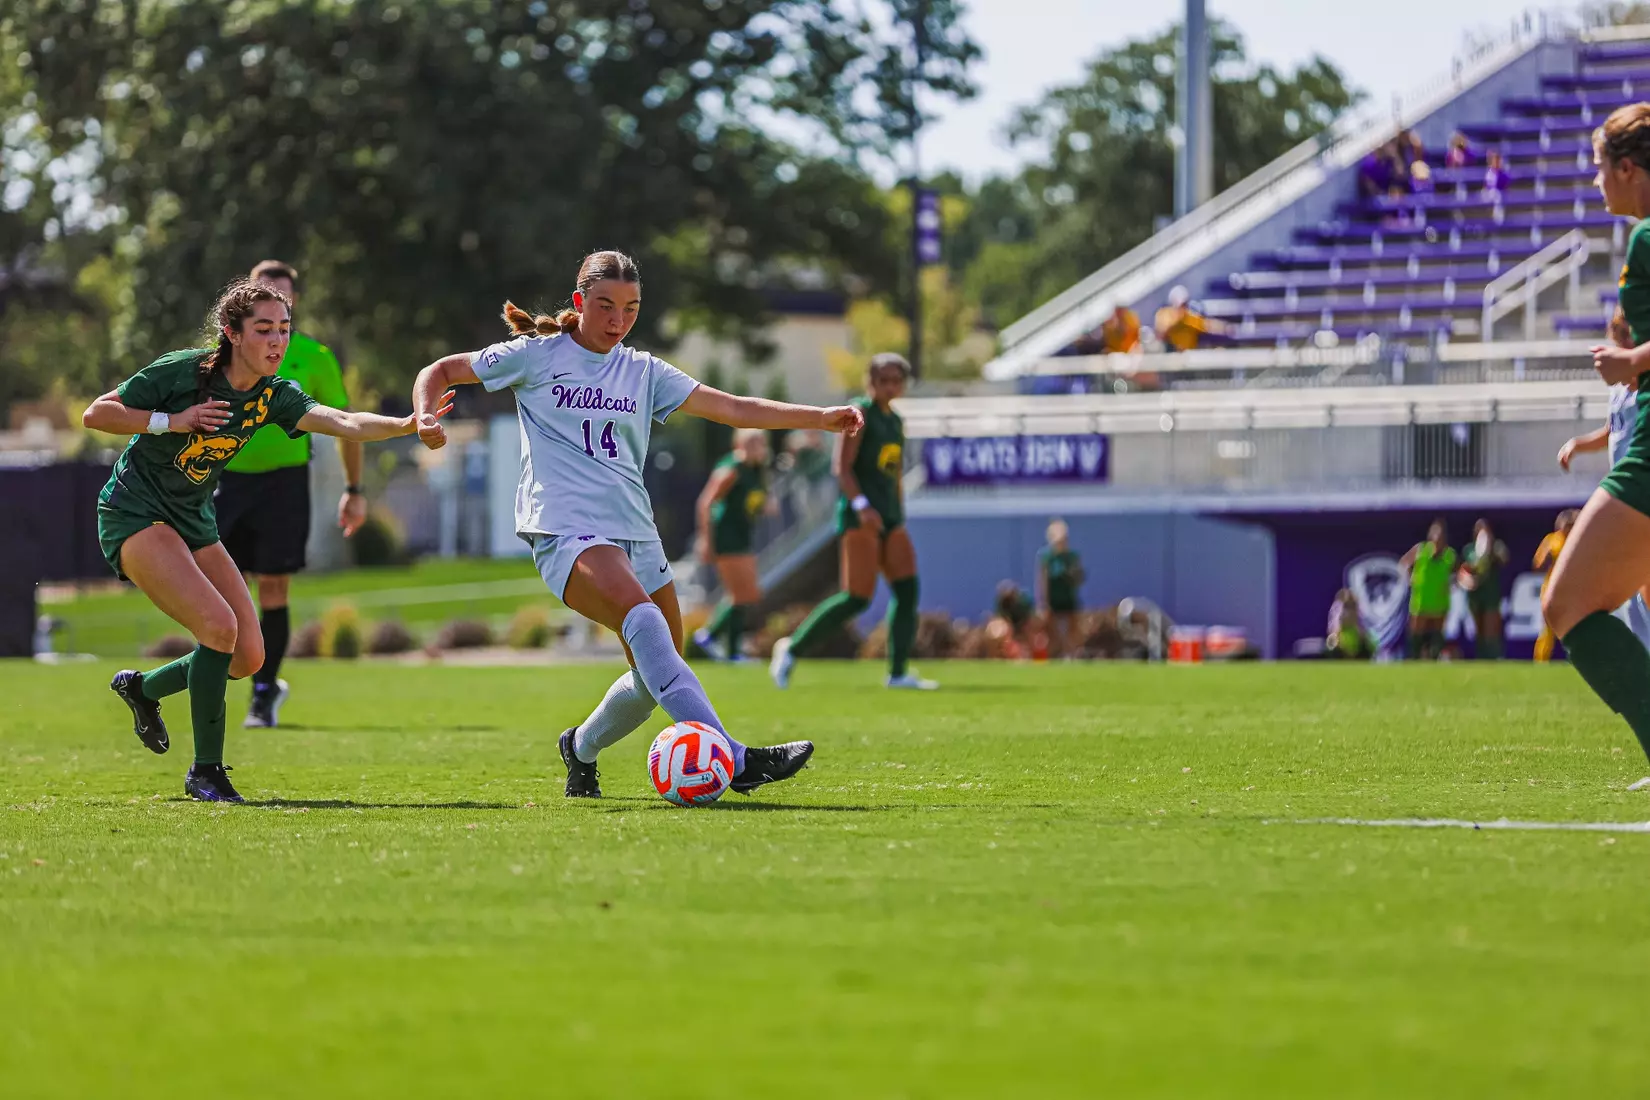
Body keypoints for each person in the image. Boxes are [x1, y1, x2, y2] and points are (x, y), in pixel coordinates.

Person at [409, 250, 863, 800]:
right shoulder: (536, 355)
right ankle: (734, 757)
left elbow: (734, 409)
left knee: (656, 676)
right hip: (564, 529)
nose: (617, 321)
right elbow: (441, 370)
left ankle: (580, 747)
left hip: (636, 534)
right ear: (579, 303)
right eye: (604, 306)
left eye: (630, 308)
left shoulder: (644, 371)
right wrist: (426, 415)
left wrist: (820, 417)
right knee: (645, 623)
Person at [85, 280, 448, 803]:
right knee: (218, 626)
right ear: (231, 333)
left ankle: (142, 690)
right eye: (263, 330)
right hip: (134, 513)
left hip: (193, 519)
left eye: (284, 329)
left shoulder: (273, 394)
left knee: (247, 657)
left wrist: (409, 423)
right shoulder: (185, 371)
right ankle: (205, 772)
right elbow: (96, 414)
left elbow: (342, 421)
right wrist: (174, 420)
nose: (277, 341)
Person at [214, 260, 361, 730]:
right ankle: (212, 683)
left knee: (274, 588)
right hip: (226, 481)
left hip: (284, 484)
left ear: (291, 303)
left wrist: (354, 489)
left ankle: (263, 691)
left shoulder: (314, 357)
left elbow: (345, 425)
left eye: (282, 298)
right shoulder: (224, 356)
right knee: (217, 589)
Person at [769, 353, 937, 691]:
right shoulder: (859, 413)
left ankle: (898, 672)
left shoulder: (895, 421)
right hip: (861, 515)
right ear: (870, 381)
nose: (890, 386)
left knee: (907, 589)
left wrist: (897, 512)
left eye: (896, 380)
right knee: (857, 597)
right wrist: (862, 506)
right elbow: (841, 468)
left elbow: (894, 475)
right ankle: (791, 648)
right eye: (883, 379)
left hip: (890, 515)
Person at [1557, 308, 1650, 651]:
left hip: (1640, 490)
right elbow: (1613, 430)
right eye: (1617, 334)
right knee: (1632, 589)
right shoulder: (1619, 387)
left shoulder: (1642, 378)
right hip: (1625, 489)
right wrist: (1579, 445)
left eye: (1627, 334)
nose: (1621, 341)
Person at [692, 428, 774, 663]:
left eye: (760, 443)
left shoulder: (757, 470)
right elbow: (705, 503)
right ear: (739, 445)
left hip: (742, 535)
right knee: (743, 594)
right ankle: (720, 643)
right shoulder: (732, 469)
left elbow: (758, 499)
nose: (758, 448)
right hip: (726, 535)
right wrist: (705, 539)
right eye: (752, 443)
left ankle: (718, 641)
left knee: (747, 594)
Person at [1399, 518, 1456, 660]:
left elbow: (1457, 574)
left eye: (1441, 536)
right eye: (1435, 536)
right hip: (1421, 600)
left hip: (1440, 601)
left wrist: (1452, 584)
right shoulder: (1421, 550)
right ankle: (1414, 659)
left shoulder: (1450, 555)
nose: (1437, 540)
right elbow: (1404, 563)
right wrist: (1410, 578)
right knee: (1416, 633)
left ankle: (1434, 658)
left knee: (1437, 634)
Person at [1457, 520, 1509, 659]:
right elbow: (1464, 569)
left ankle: (1494, 655)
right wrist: (1470, 578)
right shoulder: (1469, 550)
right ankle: (1482, 657)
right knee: (1479, 629)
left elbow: (1504, 559)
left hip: (1491, 594)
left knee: (1491, 628)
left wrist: (1491, 550)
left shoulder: (1496, 547)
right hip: (1475, 595)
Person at [1534, 509, 1579, 663]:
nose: (1568, 528)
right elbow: (1537, 565)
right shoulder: (1552, 540)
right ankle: (1541, 661)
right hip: (1552, 589)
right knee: (1548, 629)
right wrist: (1548, 557)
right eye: (1567, 524)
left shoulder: (1578, 539)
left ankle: (1576, 660)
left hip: (1572, 589)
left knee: (1573, 627)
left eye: (1572, 525)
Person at [1036, 519, 1085, 658]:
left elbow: (1078, 578)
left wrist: (1074, 575)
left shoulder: (1072, 557)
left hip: (1068, 599)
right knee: (1052, 633)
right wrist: (1043, 603)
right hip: (1053, 601)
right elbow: (1043, 581)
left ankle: (1072, 655)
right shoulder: (1047, 558)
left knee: (1074, 631)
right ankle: (1055, 656)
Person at [1154, 286, 1225, 352]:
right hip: (1170, 355)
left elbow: (1207, 325)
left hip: (1188, 356)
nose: (1182, 308)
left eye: (1184, 305)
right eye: (1180, 306)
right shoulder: (1164, 316)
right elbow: (1160, 334)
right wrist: (1175, 323)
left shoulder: (1189, 318)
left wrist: (1225, 328)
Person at [1326, 588, 1373, 659]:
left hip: (1357, 645)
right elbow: (1332, 631)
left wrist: (1362, 636)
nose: (1349, 610)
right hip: (1341, 644)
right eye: (1347, 606)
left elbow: (1363, 632)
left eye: (1352, 606)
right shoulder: (1337, 611)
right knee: (1331, 641)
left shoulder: (1359, 613)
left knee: (1370, 642)